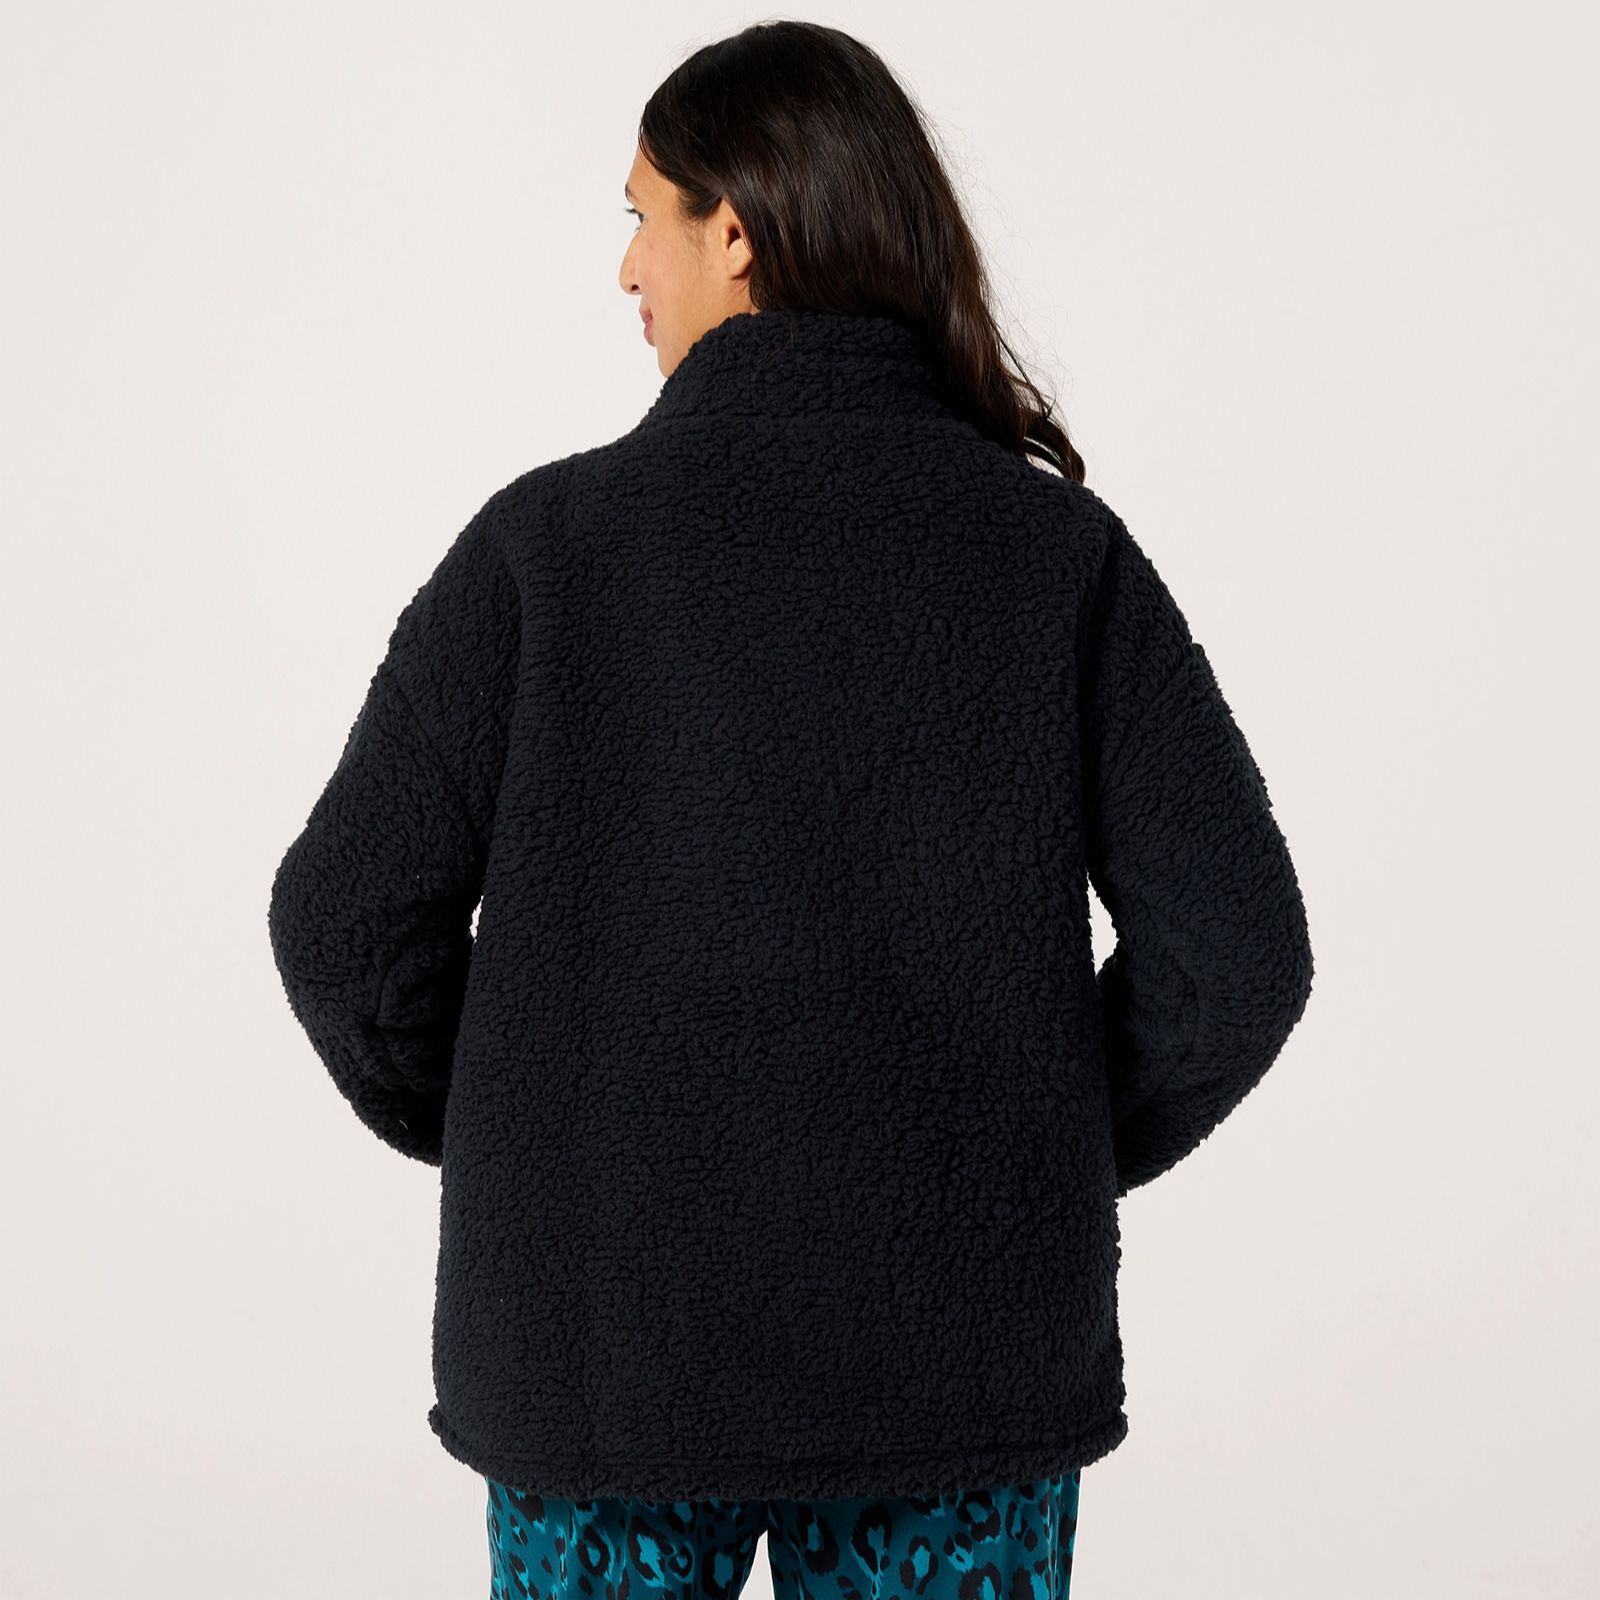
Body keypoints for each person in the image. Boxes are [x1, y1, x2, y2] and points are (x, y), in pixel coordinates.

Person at [267, 20, 1313, 1599]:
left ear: (736, 231)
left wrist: (538, 1134)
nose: (627, 269)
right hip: (955, 1372)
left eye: (642, 216)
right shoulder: (1054, 559)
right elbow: (1238, 957)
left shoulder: (545, 551)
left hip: (604, 1359)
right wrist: (1018, 1149)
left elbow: (343, 925)